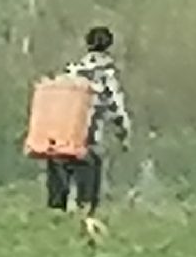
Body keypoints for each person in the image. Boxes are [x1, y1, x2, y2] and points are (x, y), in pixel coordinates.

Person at [45, 26, 132, 229]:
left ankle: (54, 233)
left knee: (58, 200)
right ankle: (85, 233)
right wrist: (124, 133)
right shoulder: (104, 74)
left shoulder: (71, 71)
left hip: (58, 140)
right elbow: (114, 108)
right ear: (110, 46)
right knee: (87, 200)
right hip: (87, 143)